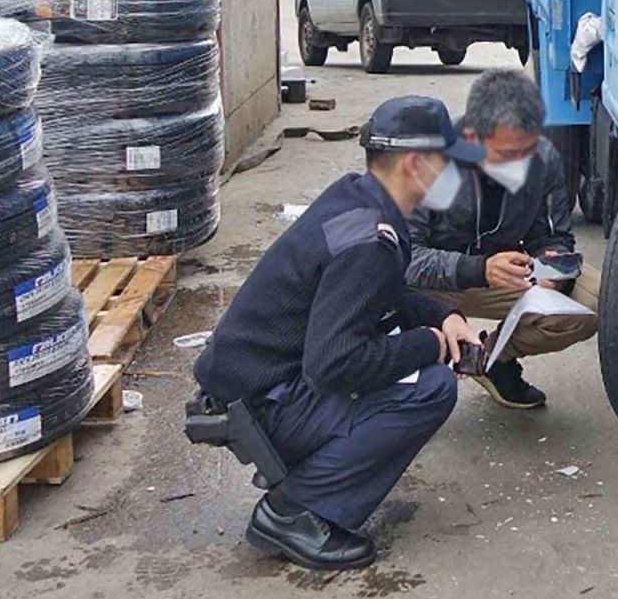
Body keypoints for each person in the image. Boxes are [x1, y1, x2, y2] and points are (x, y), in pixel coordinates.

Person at [192, 96, 485, 572]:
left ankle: (308, 489)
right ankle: (295, 511)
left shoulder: (360, 198)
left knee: (418, 364)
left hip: (255, 383)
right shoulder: (369, 242)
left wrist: (441, 316)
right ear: (415, 164)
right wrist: (430, 345)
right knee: (431, 387)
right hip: (266, 403)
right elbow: (334, 365)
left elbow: (381, 294)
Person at [404, 68, 596, 410]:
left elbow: (553, 236)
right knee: (367, 287)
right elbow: (402, 258)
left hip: (502, 276)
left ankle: (492, 361)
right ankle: (402, 373)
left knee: (592, 300)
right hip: (429, 284)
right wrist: (478, 269)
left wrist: (551, 270)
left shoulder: (544, 159)